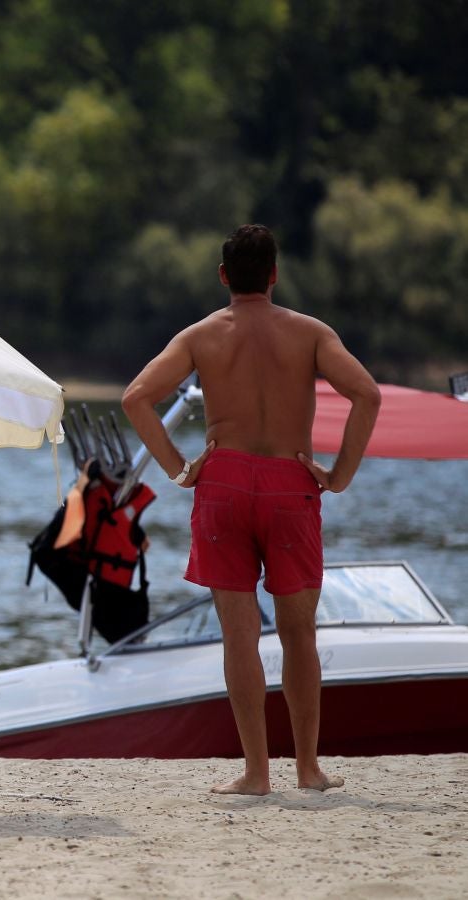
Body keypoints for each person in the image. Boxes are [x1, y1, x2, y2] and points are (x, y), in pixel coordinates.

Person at [121, 224, 380, 795]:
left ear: (222, 276)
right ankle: (308, 769)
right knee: (299, 635)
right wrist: (339, 477)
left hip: (225, 482)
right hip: (292, 483)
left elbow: (136, 397)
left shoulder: (199, 336)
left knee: (239, 638)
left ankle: (257, 774)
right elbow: (368, 393)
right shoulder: (310, 333)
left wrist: (178, 467)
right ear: (274, 275)